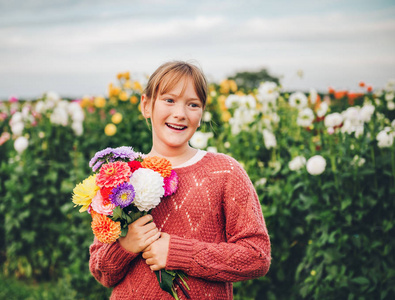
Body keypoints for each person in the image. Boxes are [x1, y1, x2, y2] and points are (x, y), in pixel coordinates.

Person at [89, 61, 271, 299]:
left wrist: (178, 253)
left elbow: (257, 256)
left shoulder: (225, 172)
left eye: (193, 104)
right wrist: (125, 246)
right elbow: (102, 272)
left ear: (202, 112)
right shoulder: (120, 178)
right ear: (146, 105)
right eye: (169, 100)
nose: (180, 114)